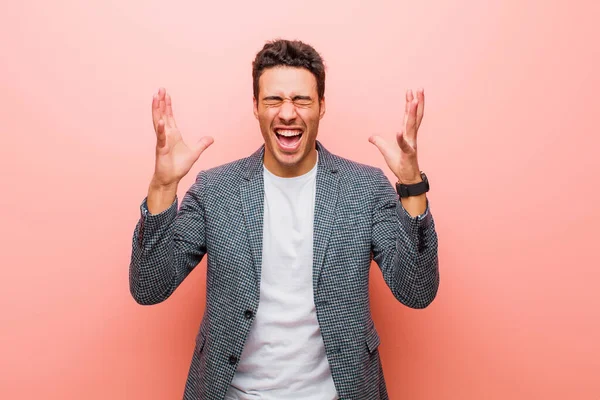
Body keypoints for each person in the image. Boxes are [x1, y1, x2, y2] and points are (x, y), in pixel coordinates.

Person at [129, 39, 439, 400]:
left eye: (301, 100)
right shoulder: (216, 189)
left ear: (321, 106)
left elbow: (417, 291)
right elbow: (148, 287)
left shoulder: (366, 188)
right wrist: (163, 186)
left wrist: (413, 188)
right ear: (256, 107)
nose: (287, 113)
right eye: (274, 99)